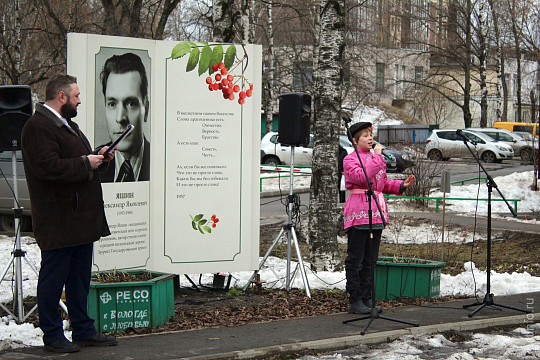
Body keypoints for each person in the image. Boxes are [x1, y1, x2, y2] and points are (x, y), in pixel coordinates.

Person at [21, 75, 117, 353]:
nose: (79, 100)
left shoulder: (67, 125)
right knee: (53, 281)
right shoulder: (37, 126)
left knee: (78, 280)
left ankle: (83, 329)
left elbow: (76, 163)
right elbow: (48, 168)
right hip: (58, 220)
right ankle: (52, 335)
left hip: (79, 220)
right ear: (61, 97)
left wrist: (98, 157)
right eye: (76, 96)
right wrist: (84, 162)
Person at [342, 122, 415, 314]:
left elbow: (379, 184)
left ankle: (367, 297)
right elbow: (363, 177)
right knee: (356, 258)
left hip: (376, 213)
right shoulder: (350, 159)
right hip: (359, 213)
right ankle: (355, 299)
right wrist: (377, 156)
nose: (370, 138)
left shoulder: (376, 158)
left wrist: (401, 185)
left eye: (370, 134)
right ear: (356, 141)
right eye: (365, 135)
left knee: (370, 259)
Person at [98, 52, 150, 182]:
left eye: (131, 103)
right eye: (112, 104)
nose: (120, 118)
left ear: (146, 109)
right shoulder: (93, 163)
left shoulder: (162, 161)